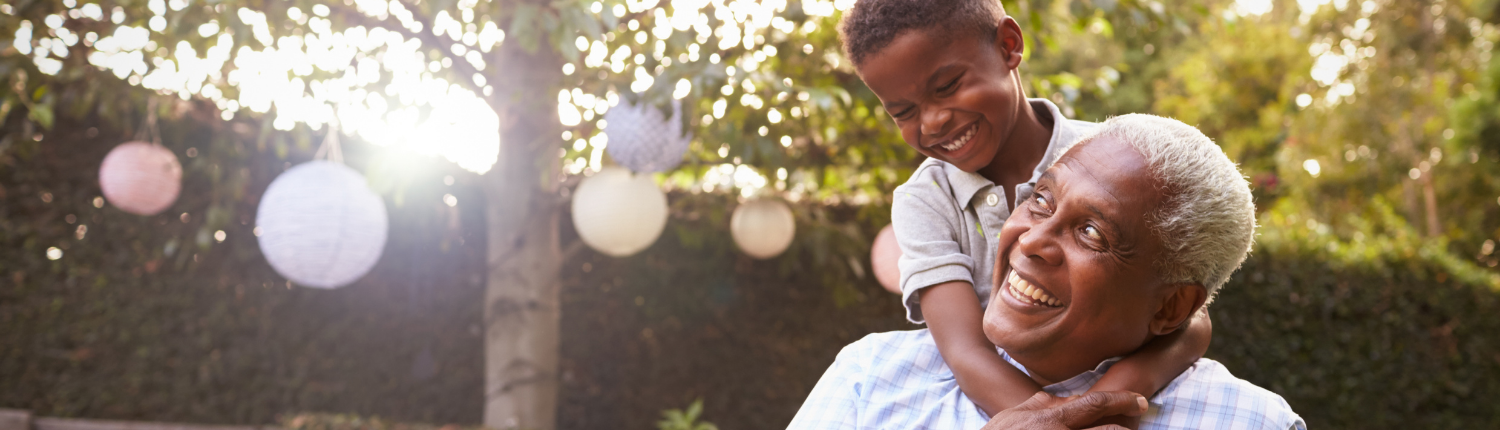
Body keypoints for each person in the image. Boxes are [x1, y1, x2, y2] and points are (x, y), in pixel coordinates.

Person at [787, 114, 1306, 430]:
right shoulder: (872, 378)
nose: (1030, 240)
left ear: (1172, 308)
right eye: (1040, 200)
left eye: (1092, 234)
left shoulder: (1249, 422)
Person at [840, 0, 1209, 423]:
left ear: (1008, 45)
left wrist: (1097, 405)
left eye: (947, 87)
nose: (933, 122)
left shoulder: (1113, 162)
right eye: (903, 112)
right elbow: (965, 350)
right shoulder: (925, 201)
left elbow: (1190, 322)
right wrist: (1056, 420)